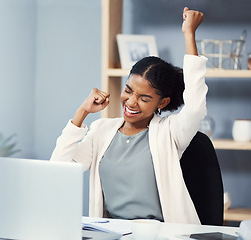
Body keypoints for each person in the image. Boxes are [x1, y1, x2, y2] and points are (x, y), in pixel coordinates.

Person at [50, 7, 206, 224]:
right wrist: (82, 112)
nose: (131, 102)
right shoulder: (101, 130)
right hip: (111, 232)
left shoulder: (170, 132)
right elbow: (58, 168)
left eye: (144, 98)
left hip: (161, 234)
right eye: (128, 90)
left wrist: (189, 34)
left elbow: (196, 106)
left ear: (162, 103)